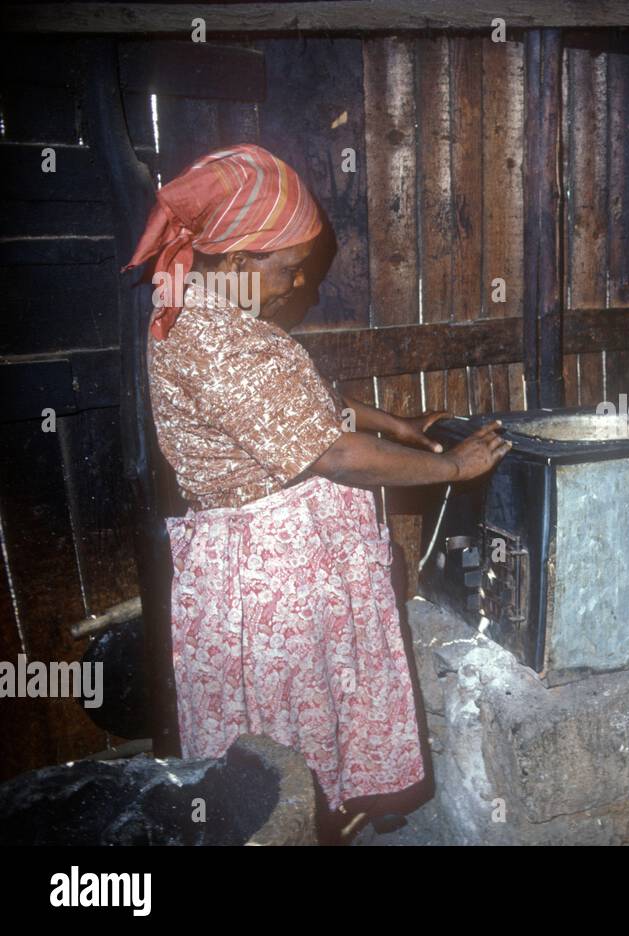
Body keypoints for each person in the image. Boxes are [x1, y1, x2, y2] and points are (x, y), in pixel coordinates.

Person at [126, 144, 508, 839]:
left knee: (316, 710)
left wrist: (393, 421)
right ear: (241, 261)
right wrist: (455, 468)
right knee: (289, 727)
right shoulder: (216, 340)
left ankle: (330, 817)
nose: (300, 278)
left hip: (283, 563)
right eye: (289, 266)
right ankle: (306, 825)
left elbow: (293, 408)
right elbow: (331, 452)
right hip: (272, 574)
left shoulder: (207, 307)